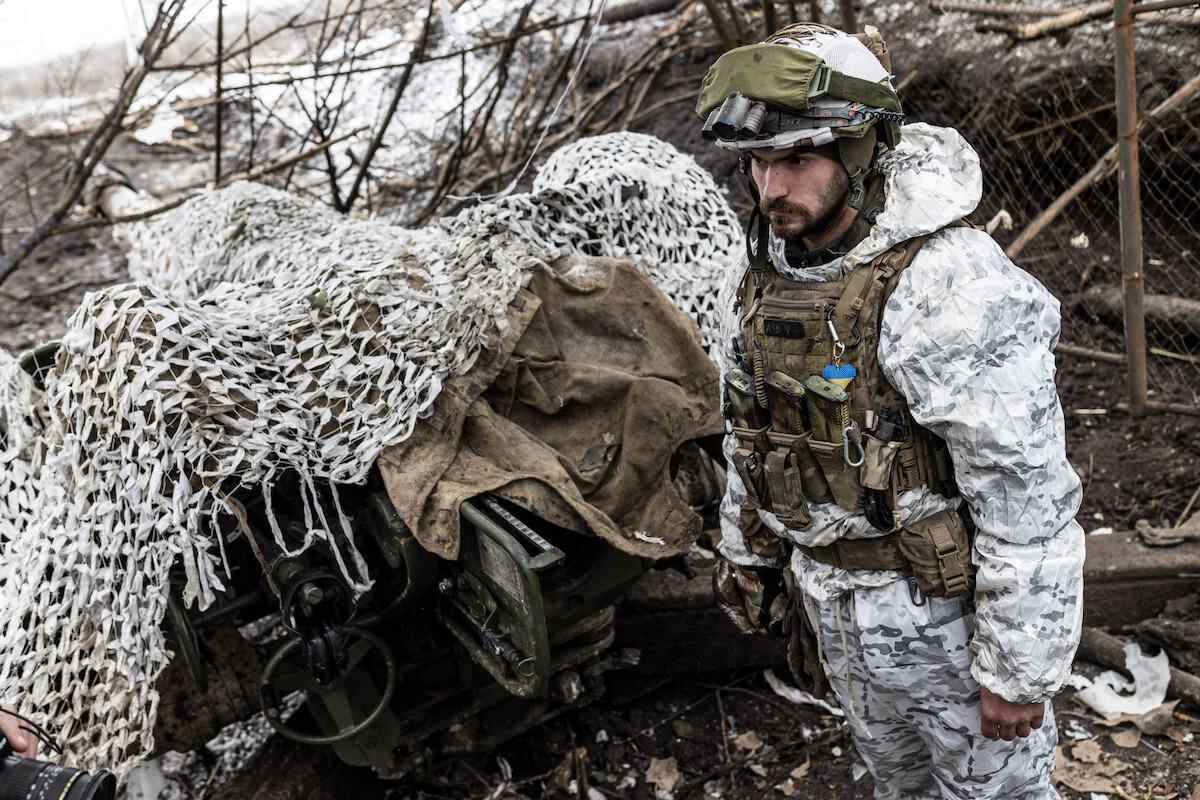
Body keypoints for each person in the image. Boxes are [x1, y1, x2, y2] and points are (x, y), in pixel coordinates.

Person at [699, 23, 1083, 800]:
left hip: (946, 621)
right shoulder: (765, 268)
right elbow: (753, 423)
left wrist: (1018, 670)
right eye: (758, 162)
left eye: (797, 159)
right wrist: (749, 554)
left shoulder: (948, 282)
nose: (772, 189)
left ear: (860, 150)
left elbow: (1026, 494)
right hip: (835, 605)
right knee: (895, 785)